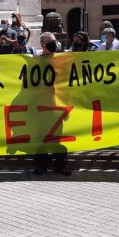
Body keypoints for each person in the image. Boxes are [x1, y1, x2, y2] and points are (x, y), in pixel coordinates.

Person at [33, 32, 71, 176]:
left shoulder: (60, 60)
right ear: (43, 44)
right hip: (41, 106)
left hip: (58, 106)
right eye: (51, 42)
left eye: (54, 41)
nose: (54, 44)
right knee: (41, 137)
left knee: (58, 137)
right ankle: (41, 165)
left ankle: (60, 166)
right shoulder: (36, 61)